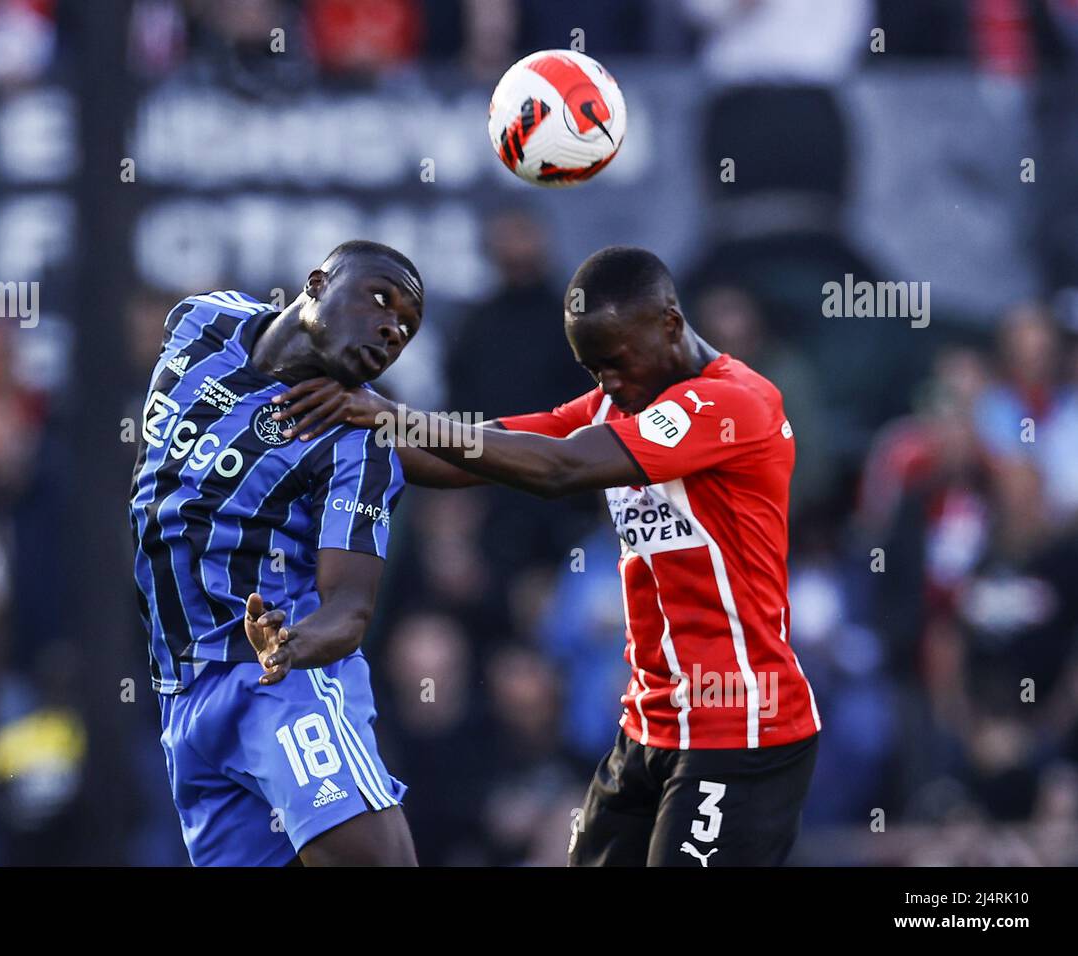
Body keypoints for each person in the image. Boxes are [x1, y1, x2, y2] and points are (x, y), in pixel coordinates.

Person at [275, 246, 822, 866]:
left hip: (740, 727)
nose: (607, 384)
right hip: (653, 723)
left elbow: (562, 468)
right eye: (593, 370)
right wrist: (349, 430)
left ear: (670, 324)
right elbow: (485, 449)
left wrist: (389, 414)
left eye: (616, 362)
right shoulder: (620, 402)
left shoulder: (733, 404)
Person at [129, 240, 423, 866]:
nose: (392, 327)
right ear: (316, 283)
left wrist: (291, 647)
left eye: (406, 327)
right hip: (182, 692)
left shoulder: (354, 442)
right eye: (381, 299)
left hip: (277, 681)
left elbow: (349, 607)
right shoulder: (200, 322)